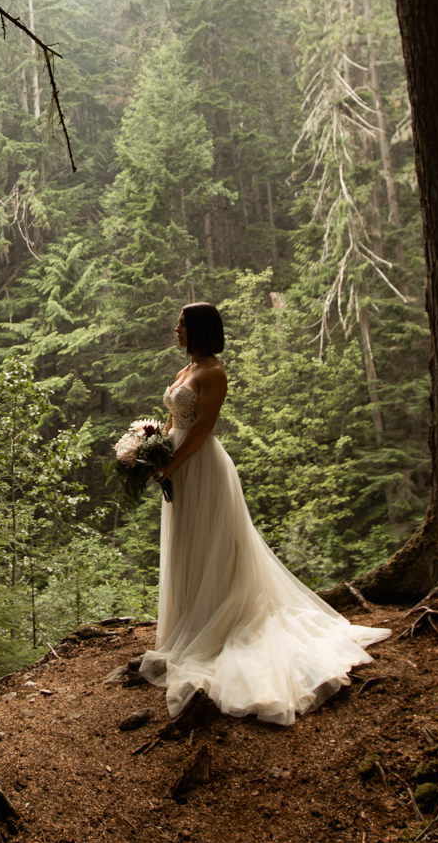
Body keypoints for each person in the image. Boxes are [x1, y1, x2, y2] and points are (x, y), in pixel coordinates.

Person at [139, 302, 390, 724]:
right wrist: (153, 451)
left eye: (182, 324)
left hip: (200, 466)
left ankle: (218, 621)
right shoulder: (186, 370)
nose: (176, 330)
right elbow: (173, 417)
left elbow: (203, 427)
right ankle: (188, 621)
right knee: (187, 542)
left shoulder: (213, 372)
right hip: (177, 464)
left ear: (199, 330)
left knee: (210, 541)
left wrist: (173, 462)